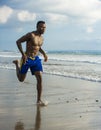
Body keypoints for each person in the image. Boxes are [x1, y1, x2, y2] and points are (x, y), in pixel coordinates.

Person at [13, 21, 48, 106]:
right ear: (37, 27)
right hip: (27, 59)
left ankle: (39, 100)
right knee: (21, 80)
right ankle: (17, 64)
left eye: (44, 27)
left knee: (39, 78)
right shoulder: (30, 35)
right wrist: (23, 54)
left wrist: (44, 54)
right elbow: (18, 41)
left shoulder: (42, 38)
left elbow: (38, 47)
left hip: (36, 59)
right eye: (41, 27)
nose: (43, 29)